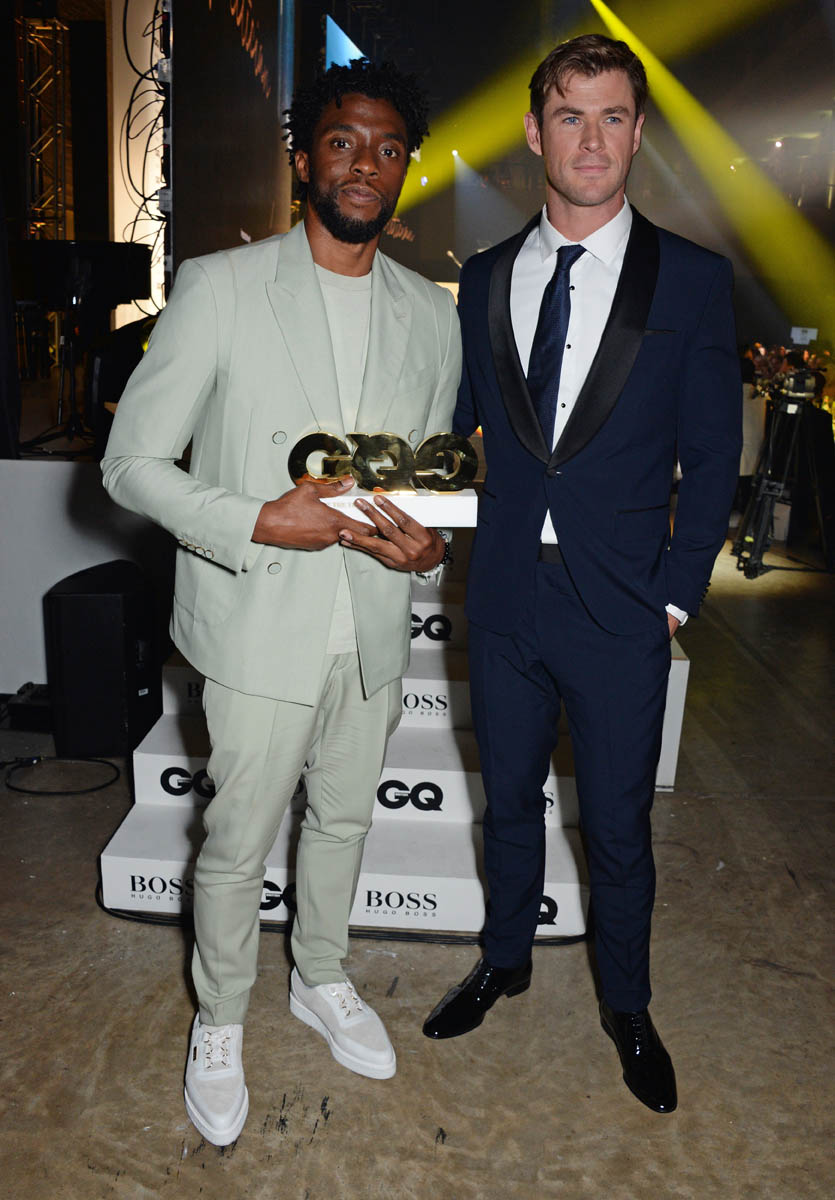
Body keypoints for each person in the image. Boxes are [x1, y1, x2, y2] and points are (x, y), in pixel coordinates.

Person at [102, 59, 461, 1146]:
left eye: (388, 148)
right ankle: (219, 1018)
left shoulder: (430, 315)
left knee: (344, 819)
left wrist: (426, 551)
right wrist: (258, 518)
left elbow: (421, 486)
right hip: (258, 619)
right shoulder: (220, 286)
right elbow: (130, 464)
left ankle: (319, 975)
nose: (365, 164)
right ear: (305, 158)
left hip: (370, 625)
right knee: (237, 840)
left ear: (406, 169)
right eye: (344, 142)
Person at [422, 34, 741, 1114]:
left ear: (637, 132)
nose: (591, 139)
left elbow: (713, 455)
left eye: (612, 117)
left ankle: (628, 1007)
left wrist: (675, 594)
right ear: (533, 132)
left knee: (615, 826)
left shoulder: (692, 279)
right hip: (506, 596)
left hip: (622, 608)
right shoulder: (484, 278)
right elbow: (457, 431)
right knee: (508, 801)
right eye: (570, 115)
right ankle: (504, 959)